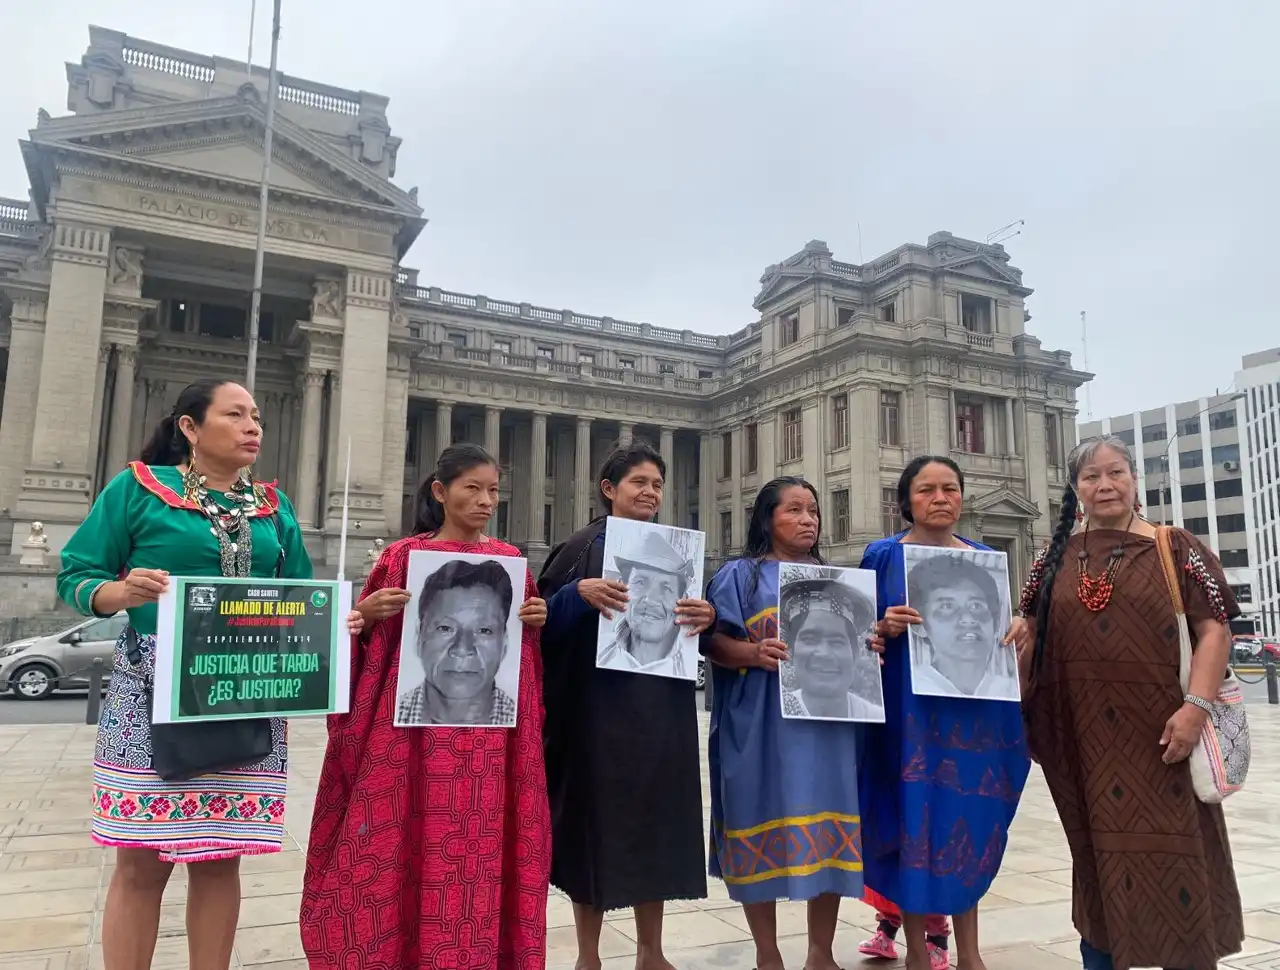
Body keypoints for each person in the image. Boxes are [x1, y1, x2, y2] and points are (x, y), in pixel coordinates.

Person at [56, 379, 363, 970]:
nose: (253, 427)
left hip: (245, 691)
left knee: (222, 856)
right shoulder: (140, 489)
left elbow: (298, 594)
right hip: (153, 692)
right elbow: (76, 574)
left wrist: (331, 624)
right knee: (142, 859)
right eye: (236, 415)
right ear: (190, 428)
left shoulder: (274, 506)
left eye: (257, 417)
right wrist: (120, 590)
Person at [301, 444, 551, 970]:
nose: (485, 501)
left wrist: (535, 620)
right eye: (472, 489)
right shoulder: (400, 559)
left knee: (480, 862)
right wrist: (363, 616)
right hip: (408, 747)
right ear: (440, 492)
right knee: (403, 853)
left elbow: (522, 664)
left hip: (490, 752)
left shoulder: (511, 565)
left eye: (493, 491)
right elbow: (370, 655)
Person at [1008, 435, 1244, 970]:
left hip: (1164, 736)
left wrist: (1195, 709)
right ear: (1075, 489)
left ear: (1134, 480)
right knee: (1096, 862)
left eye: (1115, 473)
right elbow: (1034, 638)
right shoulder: (1051, 560)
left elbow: (1214, 631)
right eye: (1091, 477)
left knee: (1177, 856)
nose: (1105, 485)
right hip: (1083, 743)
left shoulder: (1175, 546)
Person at [538, 441, 714, 970]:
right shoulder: (580, 547)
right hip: (593, 718)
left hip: (661, 715)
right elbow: (534, 622)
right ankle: (587, 954)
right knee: (588, 833)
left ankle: (652, 951)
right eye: (639, 482)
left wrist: (706, 617)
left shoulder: (677, 549)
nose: (651, 492)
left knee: (656, 828)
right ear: (609, 489)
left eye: (657, 484)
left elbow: (693, 636)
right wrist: (576, 595)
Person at [702, 477, 883, 970]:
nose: (808, 521)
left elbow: (861, 652)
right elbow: (712, 642)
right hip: (757, 724)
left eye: (814, 512)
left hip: (828, 731)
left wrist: (872, 650)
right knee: (752, 823)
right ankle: (767, 953)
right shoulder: (738, 576)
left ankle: (820, 952)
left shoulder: (839, 581)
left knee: (830, 837)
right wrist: (752, 652)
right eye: (795, 511)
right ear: (767, 519)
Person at [857, 456, 1029, 970]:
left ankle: (970, 953)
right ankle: (914, 951)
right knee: (913, 826)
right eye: (927, 490)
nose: (940, 498)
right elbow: (857, 630)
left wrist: (1019, 623)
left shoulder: (983, 558)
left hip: (972, 722)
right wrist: (882, 625)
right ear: (906, 500)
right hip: (905, 720)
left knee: (968, 824)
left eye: (950, 489)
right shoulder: (882, 556)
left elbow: (1000, 627)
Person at [395, 558, 518, 726]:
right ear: (418, 636)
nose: (461, 648)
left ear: (504, 643)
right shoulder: (386, 719)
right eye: (445, 628)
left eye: (484, 630)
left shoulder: (524, 727)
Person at [906, 551, 1020, 701]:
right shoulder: (911, 688)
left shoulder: (1010, 690)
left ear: (995, 623)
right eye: (947, 606)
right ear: (919, 625)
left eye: (976, 605)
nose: (967, 619)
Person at [780, 577, 884, 720]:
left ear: (855, 655)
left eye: (836, 642)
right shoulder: (774, 716)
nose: (824, 653)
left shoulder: (872, 717)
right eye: (810, 640)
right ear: (791, 653)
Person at [597, 527, 698, 675]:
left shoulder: (689, 663)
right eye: (641, 583)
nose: (651, 599)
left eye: (666, 588)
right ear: (620, 588)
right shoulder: (599, 651)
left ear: (682, 600)